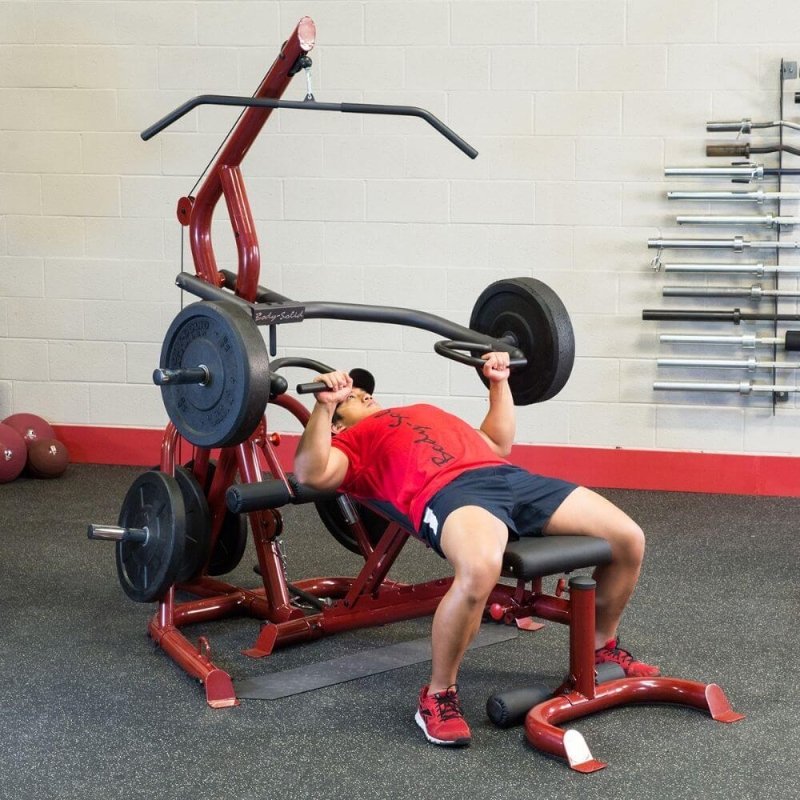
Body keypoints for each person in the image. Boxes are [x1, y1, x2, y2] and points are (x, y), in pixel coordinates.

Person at [294, 353, 659, 748]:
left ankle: (601, 649)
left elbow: (497, 442)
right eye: (353, 398)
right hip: (449, 492)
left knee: (628, 537)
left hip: (509, 478)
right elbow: (311, 474)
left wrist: (498, 383)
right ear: (336, 424)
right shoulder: (349, 442)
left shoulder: (422, 411)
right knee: (480, 568)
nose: (363, 395)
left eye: (364, 392)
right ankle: (437, 696)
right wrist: (325, 404)